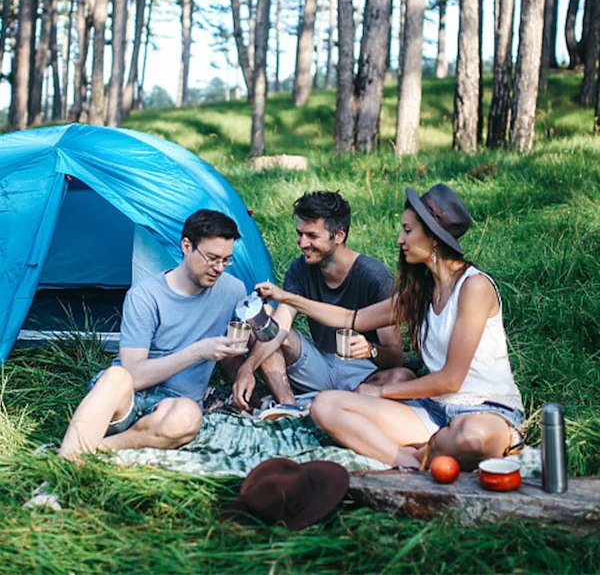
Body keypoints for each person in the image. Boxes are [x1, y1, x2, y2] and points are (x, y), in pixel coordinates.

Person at [255, 184, 524, 471]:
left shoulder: (474, 287)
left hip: (485, 411)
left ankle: (424, 448)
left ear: (433, 237)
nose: (400, 239)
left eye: (408, 230)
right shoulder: (422, 292)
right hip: (433, 412)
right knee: (326, 406)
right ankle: (408, 459)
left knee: (471, 438)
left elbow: (451, 380)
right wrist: (288, 298)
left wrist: (380, 394)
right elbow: (351, 319)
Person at [59, 209, 248, 461]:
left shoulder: (233, 290)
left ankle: (95, 446)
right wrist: (197, 351)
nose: (219, 268)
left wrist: (244, 375)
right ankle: (63, 468)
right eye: (212, 258)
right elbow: (134, 375)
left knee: (189, 417)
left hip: (174, 404)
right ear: (186, 246)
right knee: (116, 376)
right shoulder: (145, 296)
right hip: (127, 396)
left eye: (226, 260)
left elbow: (232, 353)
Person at [233, 191, 407, 412]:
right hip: (319, 364)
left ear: (339, 235)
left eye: (312, 236)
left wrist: (371, 350)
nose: (302, 243)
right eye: (300, 234)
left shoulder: (374, 277)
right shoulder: (300, 269)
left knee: (402, 376)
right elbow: (280, 327)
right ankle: (288, 408)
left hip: (363, 373)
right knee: (266, 322)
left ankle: (337, 404)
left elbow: (395, 358)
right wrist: (246, 369)